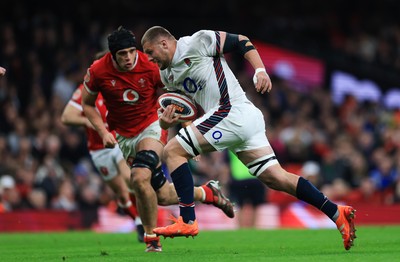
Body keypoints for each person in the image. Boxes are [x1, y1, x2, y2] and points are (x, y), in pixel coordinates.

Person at [141, 26, 357, 251]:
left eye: (149, 51)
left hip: (232, 111)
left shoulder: (197, 42)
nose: (148, 58)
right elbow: (188, 108)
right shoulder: (167, 74)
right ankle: (336, 212)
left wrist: (260, 70)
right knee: (277, 178)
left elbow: (242, 41)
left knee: (173, 150)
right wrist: (173, 123)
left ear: (164, 43)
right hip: (237, 119)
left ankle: (187, 220)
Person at [81, 26, 235, 252]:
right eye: (122, 54)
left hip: (152, 126)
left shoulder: (150, 66)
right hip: (124, 135)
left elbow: (176, 94)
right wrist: (104, 132)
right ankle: (207, 193)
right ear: (111, 55)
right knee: (161, 195)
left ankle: (151, 239)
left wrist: (186, 125)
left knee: (138, 177)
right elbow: (87, 103)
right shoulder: (97, 71)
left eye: (131, 51)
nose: (129, 58)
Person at [61, 79, 145, 242]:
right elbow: (66, 117)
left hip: (118, 141)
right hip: (99, 150)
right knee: (121, 194)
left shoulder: (121, 86)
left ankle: (142, 221)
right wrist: (86, 120)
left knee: (129, 178)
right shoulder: (85, 91)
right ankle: (137, 221)